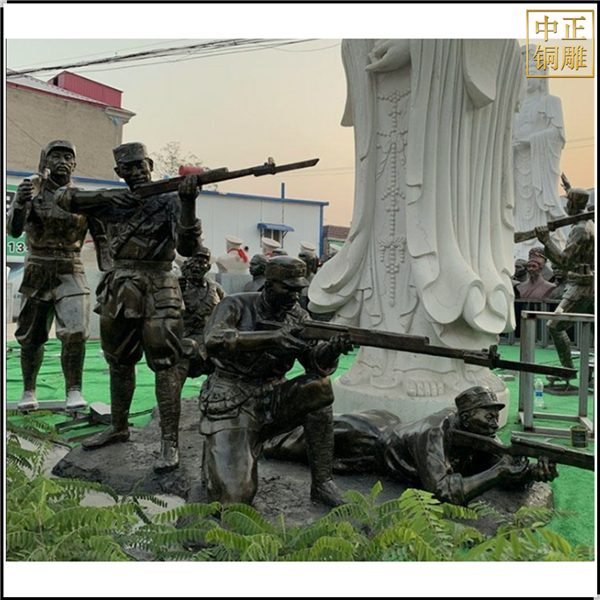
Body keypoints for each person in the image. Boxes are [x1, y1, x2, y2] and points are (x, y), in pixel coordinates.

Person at [308, 39, 524, 404]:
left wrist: (424, 42)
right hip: (386, 91)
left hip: (445, 93)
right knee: (387, 227)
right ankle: (378, 359)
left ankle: (441, 363)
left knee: (436, 221)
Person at [55, 142, 203, 472]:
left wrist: (188, 203)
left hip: (159, 286)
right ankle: (118, 426)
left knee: (165, 364)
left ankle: (169, 441)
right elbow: (64, 198)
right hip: (120, 287)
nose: (136, 171)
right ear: (118, 172)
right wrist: (111, 198)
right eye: (128, 167)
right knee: (118, 361)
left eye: (140, 165)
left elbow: (188, 247)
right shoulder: (111, 201)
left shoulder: (169, 201)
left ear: (150, 164)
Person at [199, 256, 354, 507]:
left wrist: (333, 349)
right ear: (269, 285)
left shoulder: (298, 316)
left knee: (319, 387)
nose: (295, 295)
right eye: (288, 288)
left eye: (298, 289)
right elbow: (213, 340)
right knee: (234, 500)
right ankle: (219, 449)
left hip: (274, 398)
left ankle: (322, 483)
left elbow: (314, 362)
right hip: (233, 400)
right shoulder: (235, 304)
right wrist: (272, 338)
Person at [264, 385, 558, 506]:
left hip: (389, 424)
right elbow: (444, 491)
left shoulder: (478, 433)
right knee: (285, 443)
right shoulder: (434, 432)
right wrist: (499, 472)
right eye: (488, 415)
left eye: (496, 415)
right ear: (467, 416)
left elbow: (501, 467)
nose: (495, 422)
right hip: (361, 441)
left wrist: (532, 472)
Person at [7, 140, 109, 412]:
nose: (62, 161)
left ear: (74, 164)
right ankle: (29, 390)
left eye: (67, 157)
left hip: (70, 269)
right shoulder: (33, 192)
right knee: (31, 336)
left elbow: (102, 239)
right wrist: (19, 203)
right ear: (46, 162)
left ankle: (74, 389)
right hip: (37, 268)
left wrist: (110, 274)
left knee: (76, 331)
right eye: (56, 156)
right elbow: (14, 231)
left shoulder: (83, 199)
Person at [513, 44, 567, 261]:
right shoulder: (514, 109)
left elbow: (558, 134)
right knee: (517, 204)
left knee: (539, 204)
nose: (527, 77)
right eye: (523, 72)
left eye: (532, 70)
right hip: (518, 164)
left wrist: (532, 141)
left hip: (540, 166)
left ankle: (543, 243)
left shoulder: (550, 102)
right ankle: (517, 244)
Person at [535, 185, 594, 371]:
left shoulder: (580, 229)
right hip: (585, 283)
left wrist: (546, 240)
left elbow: (564, 261)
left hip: (581, 286)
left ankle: (567, 371)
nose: (566, 206)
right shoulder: (589, 223)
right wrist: (569, 189)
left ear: (573, 204)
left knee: (554, 326)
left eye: (568, 201)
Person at [178, 246, 226, 381]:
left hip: (210, 340)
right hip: (186, 338)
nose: (196, 267)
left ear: (208, 267)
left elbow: (228, 309)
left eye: (201, 263)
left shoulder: (215, 288)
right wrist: (178, 292)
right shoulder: (177, 285)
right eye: (193, 262)